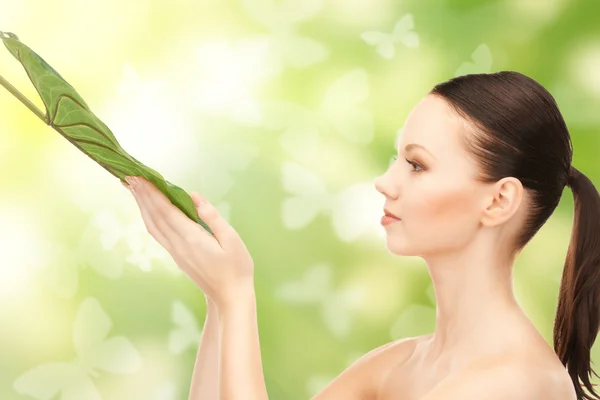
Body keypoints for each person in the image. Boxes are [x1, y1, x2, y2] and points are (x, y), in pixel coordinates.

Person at [123, 70, 600, 400]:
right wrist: (217, 300)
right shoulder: (400, 363)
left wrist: (236, 295)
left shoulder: (511, 383)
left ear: (498, 201)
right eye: (397, 159)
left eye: (417, 164)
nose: (386, 182)